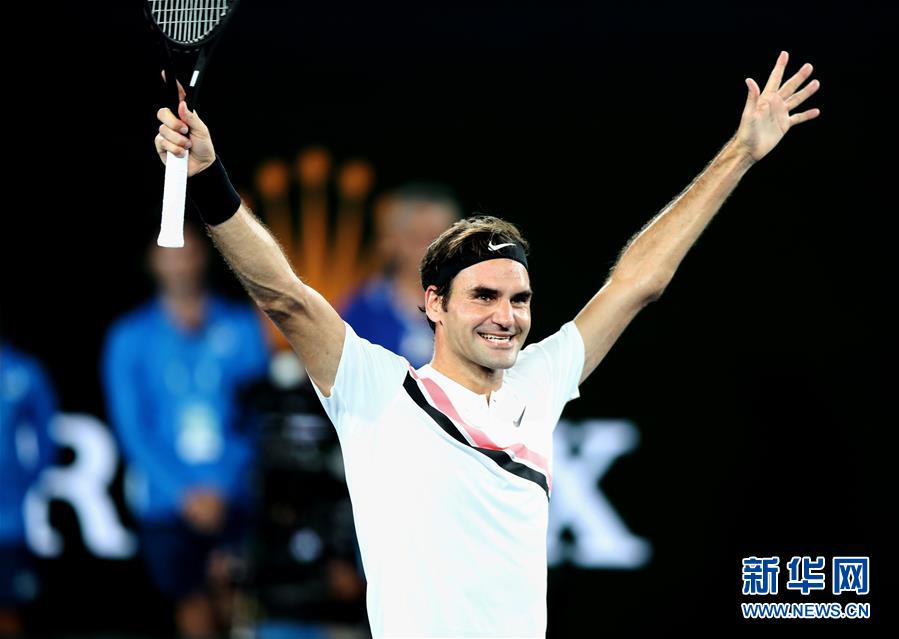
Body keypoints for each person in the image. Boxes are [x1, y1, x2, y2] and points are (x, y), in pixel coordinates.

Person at [153, 51, 819, 637]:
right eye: (484, 296)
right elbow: (285, 296)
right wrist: (208, 176)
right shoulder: (377, 390)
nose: (506, 316)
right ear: (434, 304)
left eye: (519, 298)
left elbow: (637, 281)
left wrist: (740, 152)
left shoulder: (539, 381)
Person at [101, 223, 269, 638]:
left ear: (204, 256)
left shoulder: (242, 327)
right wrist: (182, 493)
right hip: (166, 501)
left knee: (236, 600)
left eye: (188, 252)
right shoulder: (129, 337)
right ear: (152, 261)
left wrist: (223, 485)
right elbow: (132, 429)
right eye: (169, 253)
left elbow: (257, 416)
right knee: (190, 602)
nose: (179, 264)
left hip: (234, 493)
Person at [340, 184, 461, 367]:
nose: (432, 251)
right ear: (392, 241)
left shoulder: (472, 305)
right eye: (419, 239)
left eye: (442, 240)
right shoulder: (364, 308)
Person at [0, 342, 57, 638]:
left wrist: (26, 479)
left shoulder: (22, 371)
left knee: (8, 610)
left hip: (7, 518)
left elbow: (45, 433)